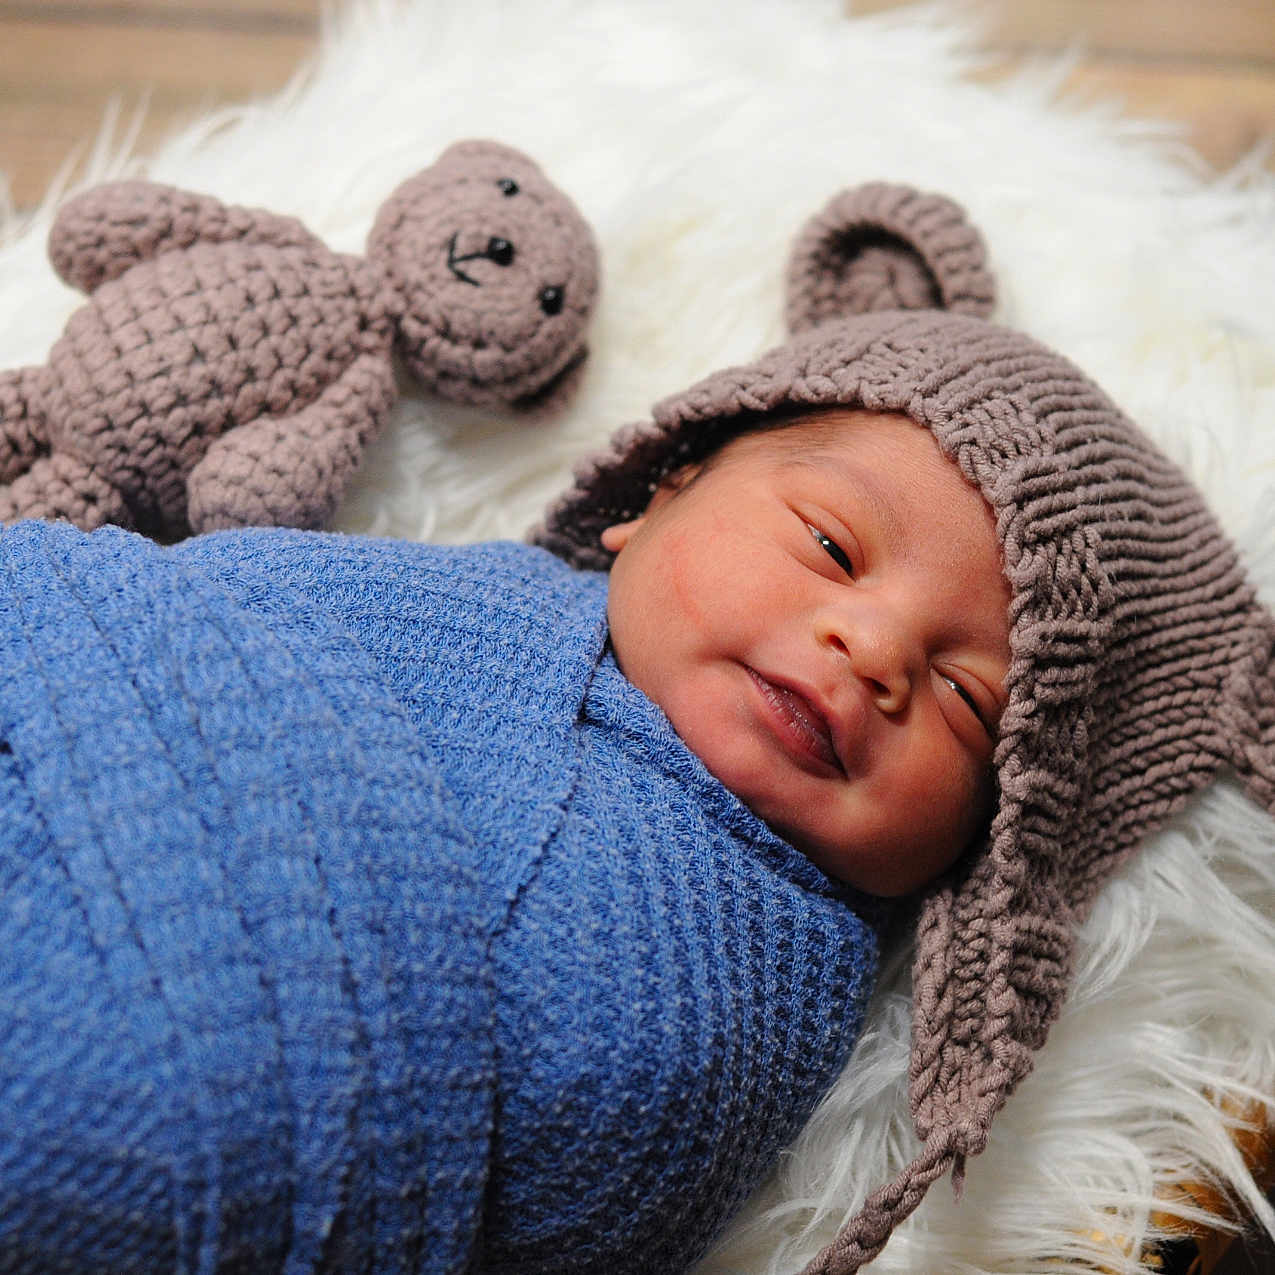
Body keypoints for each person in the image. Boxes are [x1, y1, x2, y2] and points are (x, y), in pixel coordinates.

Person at [1, 181, 1273, 1275]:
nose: (876, 652)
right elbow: (174, 618)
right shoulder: (463, 597)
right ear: (654, 493)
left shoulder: (754, 970)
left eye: (967, 699)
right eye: (830, 545)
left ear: (987, 841)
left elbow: (591, 1149)